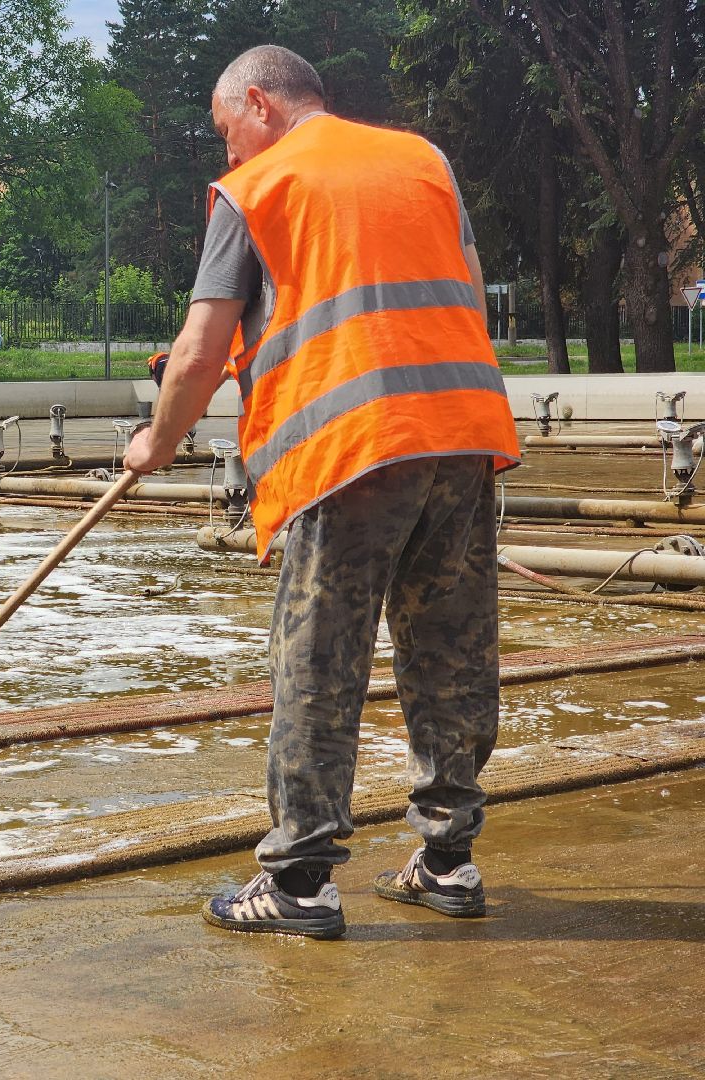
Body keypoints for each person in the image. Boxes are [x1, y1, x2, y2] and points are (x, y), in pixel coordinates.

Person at [124, 46, 519, 940]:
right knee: (451, 653)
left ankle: (300, 881)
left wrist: (157, 441)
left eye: (227, 129)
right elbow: (461, 294)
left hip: (352, 450)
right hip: (461, 433)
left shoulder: (257, 188)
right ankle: (448, 862)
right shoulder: (425, 161)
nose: (228, 151)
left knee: (319, 660)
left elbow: (199, 349)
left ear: (259, 103)